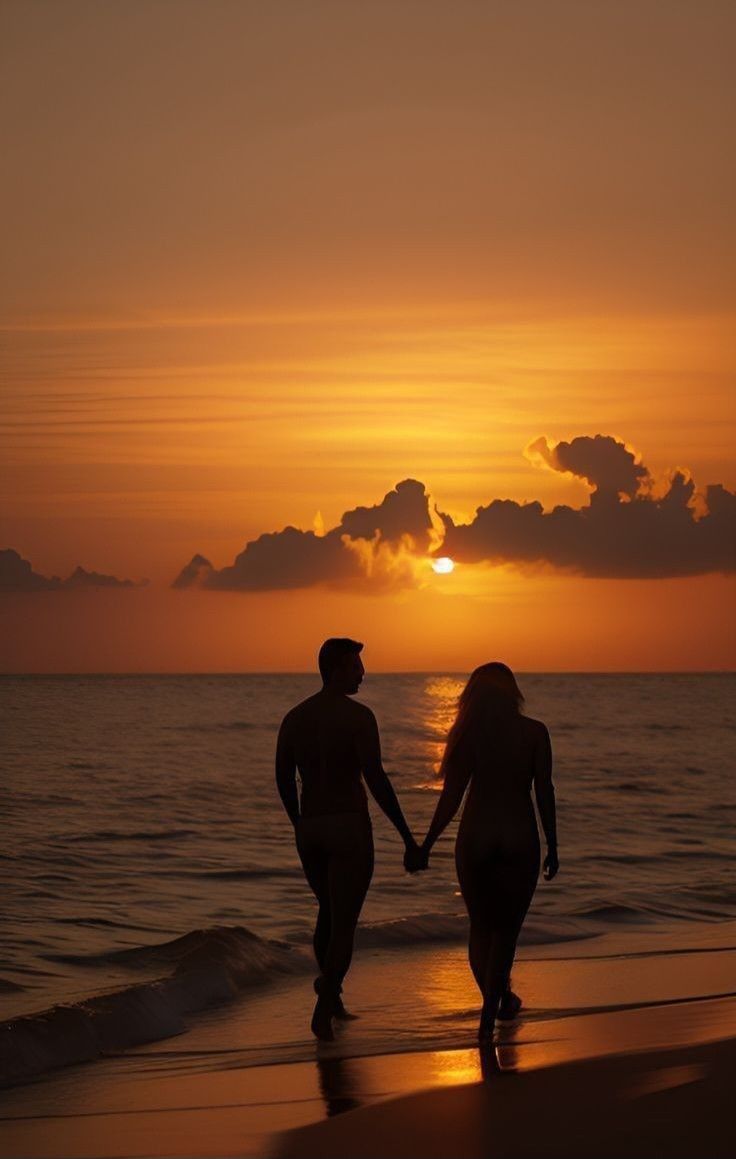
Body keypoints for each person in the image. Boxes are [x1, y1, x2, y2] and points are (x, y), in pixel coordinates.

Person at [276, 637, 418, 1041]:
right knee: (344, 924)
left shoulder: (294, 718)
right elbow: (375, 778)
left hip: (312, 829)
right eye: (356, 666)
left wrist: (298, 824)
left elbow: (283, 778)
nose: (362, 673)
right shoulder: (358, 718)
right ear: (335, 670)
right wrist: (407, 837)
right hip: (347, 827)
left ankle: (333, 998)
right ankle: (325, 1002)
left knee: (327, 911)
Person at [406, 662, 558, 1040]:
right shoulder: (535, 732)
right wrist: (554, 844)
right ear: (513, 692)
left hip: (476, 837)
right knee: (506, 932)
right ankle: (493, 1009)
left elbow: (452, 797)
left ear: (472, 695)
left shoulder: (467, 735)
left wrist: (426, 842)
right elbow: (544, 792)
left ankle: (496, 1004)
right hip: (519, 836)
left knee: (481, 928)